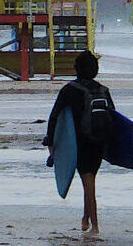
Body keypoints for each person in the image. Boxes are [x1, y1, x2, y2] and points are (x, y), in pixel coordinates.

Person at [43, 51, 115, 234]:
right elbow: (113, 115)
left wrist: (50, 142)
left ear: (76, 69)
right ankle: (85, 219)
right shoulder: (103, 90)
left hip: (80, 143)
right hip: (100, 141)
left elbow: (54, 117)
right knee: (89, 181)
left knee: (88, 182)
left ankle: (95, 226)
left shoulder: (69, 90)